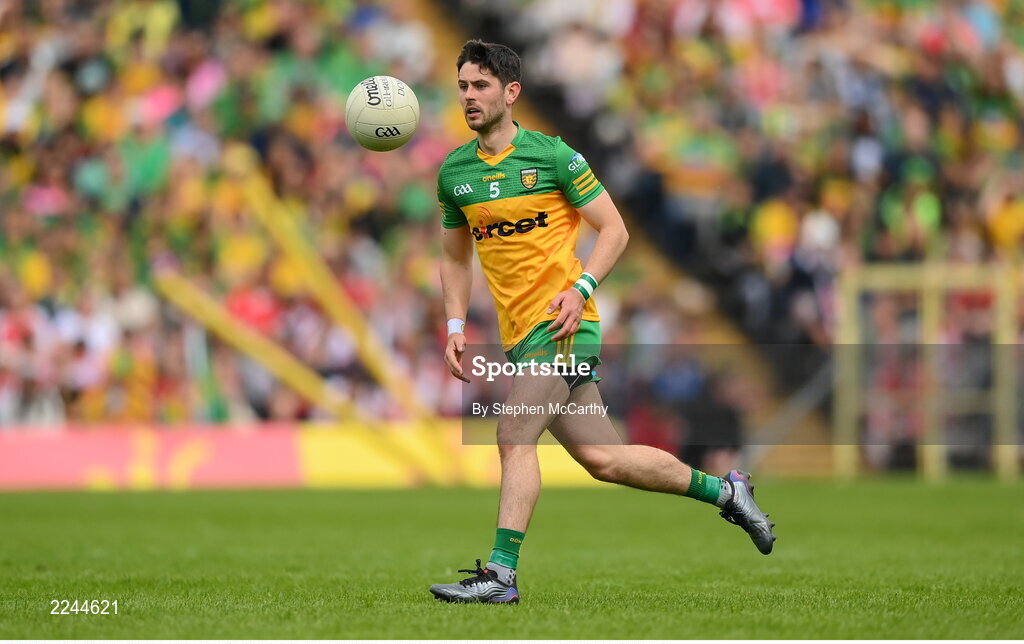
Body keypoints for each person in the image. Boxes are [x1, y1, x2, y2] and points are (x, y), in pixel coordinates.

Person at [430, 40, 776, 604]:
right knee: (605, 460)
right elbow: (452, 255)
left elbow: (614, 229)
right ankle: (727, 491)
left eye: (481, 85)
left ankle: (500, 575)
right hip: (520, 335)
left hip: (567, 324)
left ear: (511, 93)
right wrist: (452, 326)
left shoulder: (554, 157)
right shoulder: (455, 173)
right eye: (463, 85)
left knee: (514, 434)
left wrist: (580, 289)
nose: (469, 96)